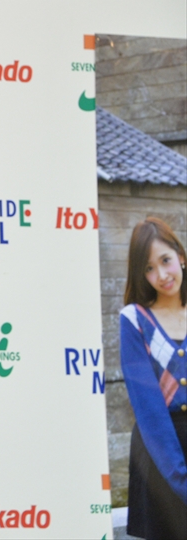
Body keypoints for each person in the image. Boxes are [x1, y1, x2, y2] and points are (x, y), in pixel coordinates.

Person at [120, 217, 187, 540]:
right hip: (160, 454)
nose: (161, 275)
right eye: (149, 268)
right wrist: (181, 480)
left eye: (165, 260)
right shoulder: (134, 319)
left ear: (181, 256)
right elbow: (149, 411)